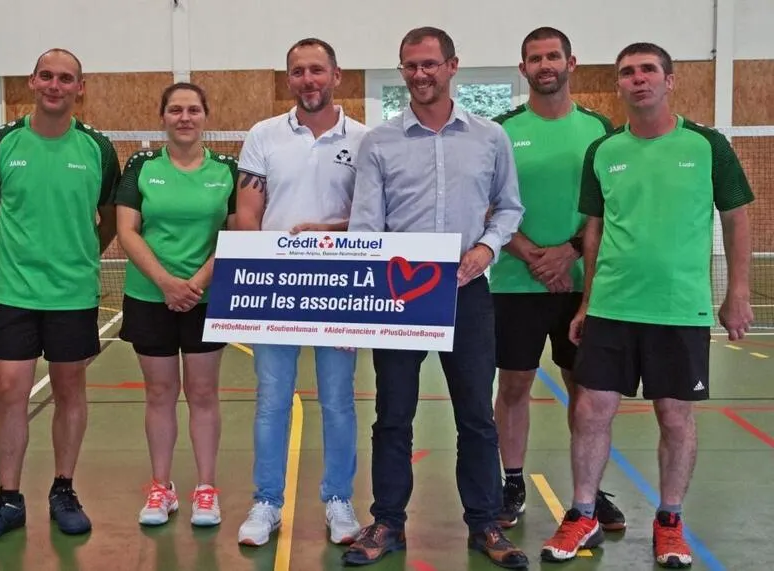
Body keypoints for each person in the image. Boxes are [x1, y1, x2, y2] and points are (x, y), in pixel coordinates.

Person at [542, 42, 754, 568]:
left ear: (669, 80)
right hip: (612, 306)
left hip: (679, 309)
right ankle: (584, 513)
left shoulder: (708, 145)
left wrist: (738, 292)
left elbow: (736, 218)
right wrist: (586, 303)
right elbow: (594, 231)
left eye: (647, 70)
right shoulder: (603, 151)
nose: (637, 79)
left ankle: (670, 521)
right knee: (590, 409)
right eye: (627, 72)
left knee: (675, 417)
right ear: (618, 84)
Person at [343, 27, 528, 568]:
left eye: (429, 64)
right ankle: (387, 522)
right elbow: (365, 225)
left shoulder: (490, 137)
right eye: (410, 66)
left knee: (476, 417)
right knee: (392, 415)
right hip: (398, 297)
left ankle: (485, 523)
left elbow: (509, 207)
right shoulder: (379, 142)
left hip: (467, 294)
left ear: (452, 66)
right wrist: (359, 299)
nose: (420, 74)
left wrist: (487, 249)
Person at [0, 48, 120, 546]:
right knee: (9, 389)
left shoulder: (97, 148)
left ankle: (63, 490)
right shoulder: (1, 143)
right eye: (46, 76)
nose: (55, 85)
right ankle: (8, 499)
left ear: (80, 87)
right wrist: (17, 255)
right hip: (15, 292)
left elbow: (109, 218)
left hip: (73, 294)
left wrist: (79, 256)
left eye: (66, 78)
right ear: (32, 81)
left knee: (70, 390)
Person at [233, 37, 367, 547]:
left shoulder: (366, 139)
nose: (307, 79)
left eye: (317, 70)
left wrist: (328, 232)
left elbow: (372, 217)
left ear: (336, 75)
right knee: (272, 400)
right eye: (297, 71)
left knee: (338, 401)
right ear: (287, 79)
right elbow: (248, 215)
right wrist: (259, 274)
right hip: (276, 289)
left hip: (340, 289)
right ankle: (266, 502)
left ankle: (338, 500)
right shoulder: (263, 135)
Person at [489, 27, 625, 531]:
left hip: (583, 286)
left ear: (571, 63)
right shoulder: (500, 130)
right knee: (514, 385)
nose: (544, 65)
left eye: (553, 56)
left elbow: (609, 204)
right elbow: (486, 202)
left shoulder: (599, 128)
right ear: (522, 68)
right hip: (514, 283)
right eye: (534, 58)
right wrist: (532, 256)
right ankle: (512, 481)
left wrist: (569, 252)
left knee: (585, 391)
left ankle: (589, 493)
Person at [114, 82, 236, 527]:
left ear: (206, 116)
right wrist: (166, 283)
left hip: (207, 298)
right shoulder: (141, 166)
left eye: (193, 110)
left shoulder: (227, 169)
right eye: (176, 110)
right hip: (150, 296)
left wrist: (197, 283)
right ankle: (161, 488)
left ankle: (206, 489)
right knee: (160, 393)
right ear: (162, 116)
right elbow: (127, 230)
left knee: (203, 394)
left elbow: (236, 234)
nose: (185, 118)